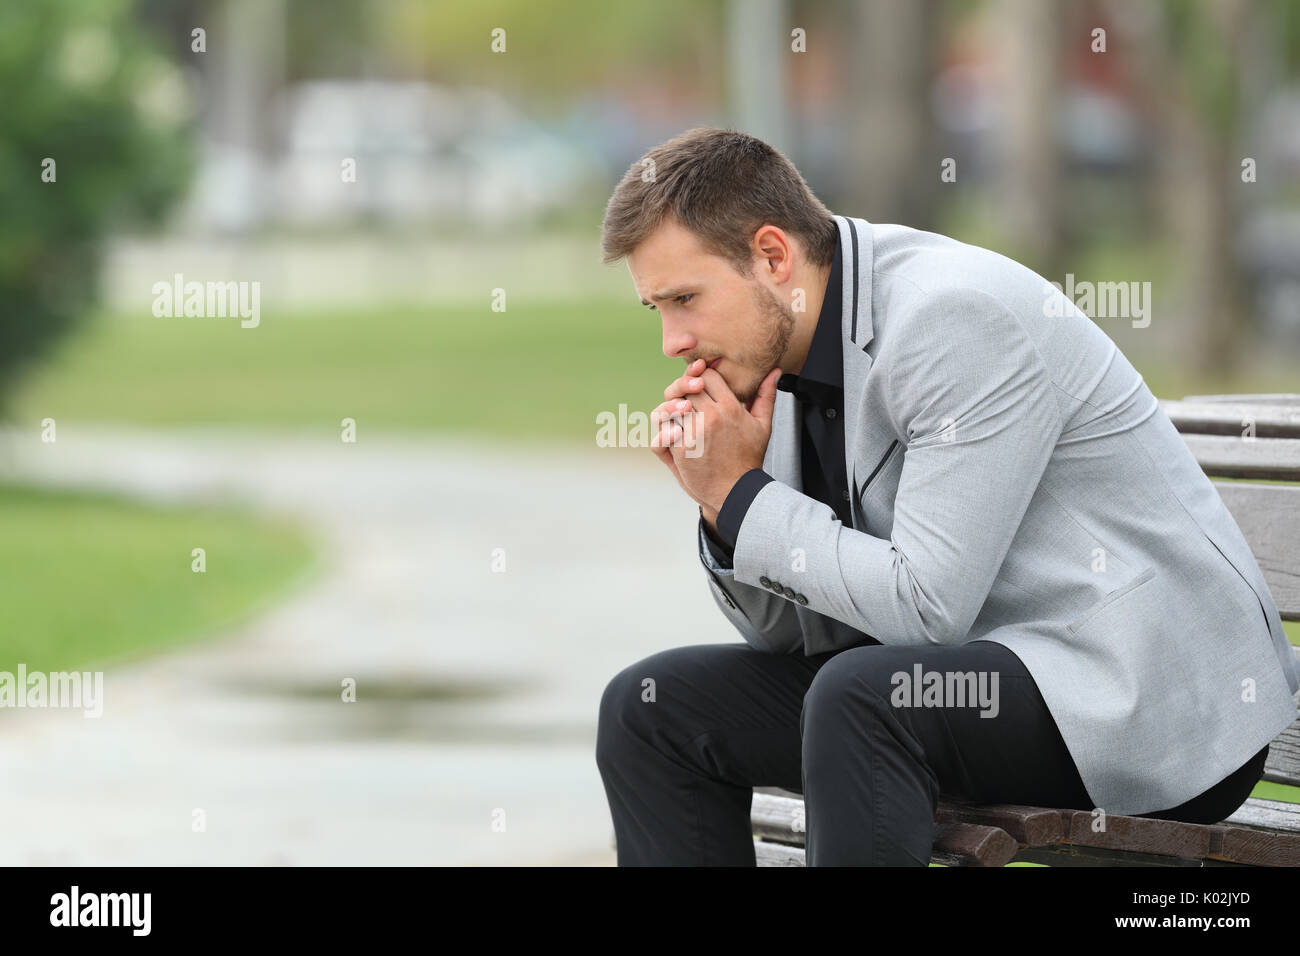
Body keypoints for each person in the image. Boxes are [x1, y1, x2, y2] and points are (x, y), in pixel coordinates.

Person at [594, 127, 1298, 866]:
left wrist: (745, 498)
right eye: (657, 310)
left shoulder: (952, 319)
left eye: (685, 299)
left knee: (866, 701)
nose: (673, 340)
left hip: (1144, 705)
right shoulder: (773, 355)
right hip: (973, 681)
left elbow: (926, 610)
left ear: (772, 256)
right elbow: (792, 638)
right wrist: (723, 511)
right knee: (650, 709)